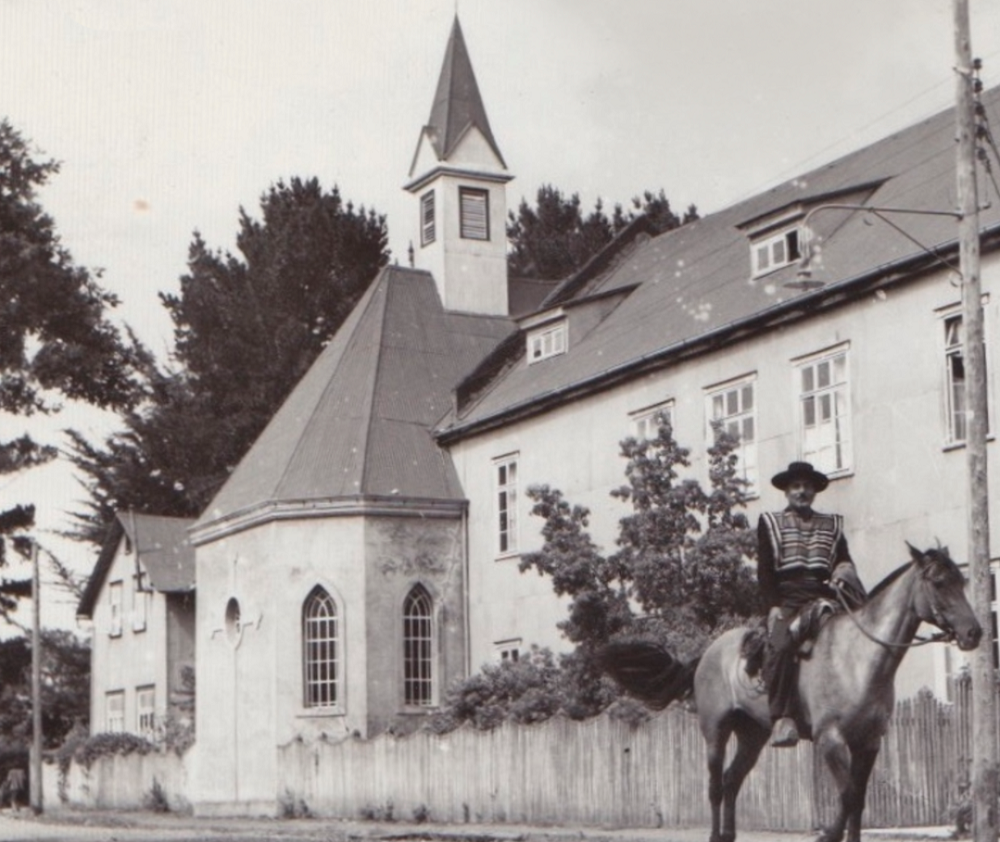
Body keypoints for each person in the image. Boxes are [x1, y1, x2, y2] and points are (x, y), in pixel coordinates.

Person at [757, 461, 866, 747]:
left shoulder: (832, 525)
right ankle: (781, 717)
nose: (802, 491)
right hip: (787, 599)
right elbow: (765, 571)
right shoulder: (770, 522)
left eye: (807, 486)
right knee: (779, 645)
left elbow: (844, 560)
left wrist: (844, 571)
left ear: (815, 491)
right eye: (796, 486)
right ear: (786, 491)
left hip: (824, 598)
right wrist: (773, 606)